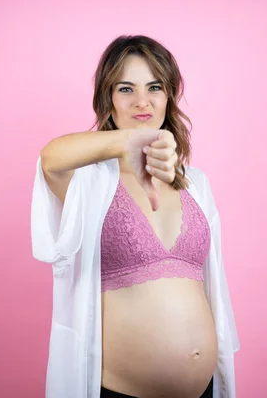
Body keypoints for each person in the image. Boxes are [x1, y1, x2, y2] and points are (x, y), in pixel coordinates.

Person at [31, 35, 239, 398]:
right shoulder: (91, 182)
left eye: (154, 87)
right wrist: (128, 142)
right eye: (125, 88)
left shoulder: (196, 185)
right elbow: (50, 159)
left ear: (168, 96)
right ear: (107, 101)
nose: (142, 101)